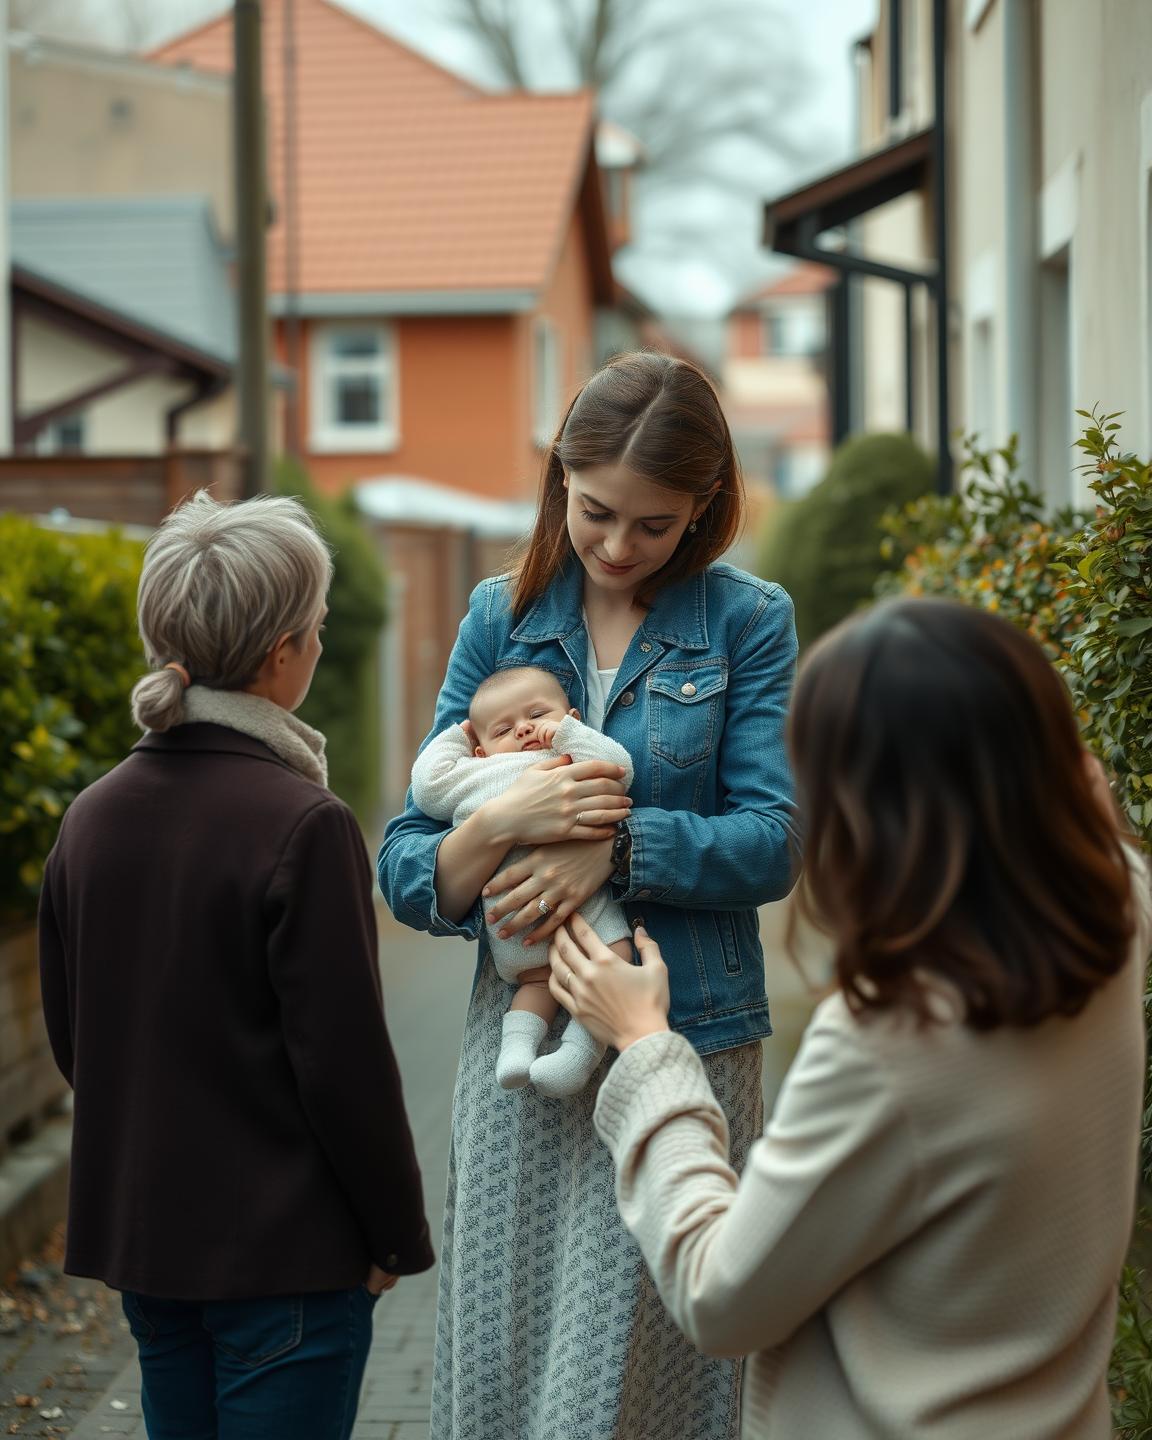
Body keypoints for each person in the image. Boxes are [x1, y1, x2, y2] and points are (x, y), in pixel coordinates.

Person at [549, 596, 1148, 1440]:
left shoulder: (891, 1040)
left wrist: (648, 1048)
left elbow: (721, 1296)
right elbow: (1084, 795)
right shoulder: (1115, 910)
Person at [380, 350, 799, 1438]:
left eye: (653, 525)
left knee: (643, 1375)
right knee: (504, 1364)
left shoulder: (749, 621)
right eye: (597, 511)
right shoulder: (496, 614)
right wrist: (504, 825)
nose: (617, 547)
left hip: (684, 1037)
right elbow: (405, 863)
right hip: (516, 1055)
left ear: (703, 508)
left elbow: (774, 841)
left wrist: (610, 854)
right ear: (559, 477)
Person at [38, 491, 433, 1440]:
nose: (321, 646)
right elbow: (344, 1066)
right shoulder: (306, 822)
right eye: (320, 629)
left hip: (149, 1254)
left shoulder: (89, 818)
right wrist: (395, 1234)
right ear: (280, 655)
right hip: (289, 1262)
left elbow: (73, 1035)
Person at [410, 665, 634, 1096]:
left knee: (585, 970)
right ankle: (524, 1048)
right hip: (523, 916)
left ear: (571, 716)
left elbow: (620, 768)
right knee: (558, 974)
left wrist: (568, 735)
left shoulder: (571, 751)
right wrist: (457, 735)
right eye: (504, 729)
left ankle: (558, 1054)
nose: (526, 729)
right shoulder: (478, 773)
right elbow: (427, 789)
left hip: (560, 915)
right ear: (481, 750)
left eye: (538, 714)